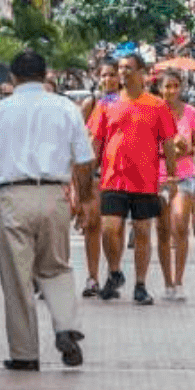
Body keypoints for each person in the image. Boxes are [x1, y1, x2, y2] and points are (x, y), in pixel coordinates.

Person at [0, 49, 96, 370]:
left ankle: (25, 354)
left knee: (17, 278)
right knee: (57, 267)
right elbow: (85, 161)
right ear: (45, 74)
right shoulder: (66, 108)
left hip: (12, 197)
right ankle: (66, 327)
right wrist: (86, 200)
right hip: (54, 196)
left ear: (12, 78)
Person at [89, 53, 178, 305]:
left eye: (128, 68)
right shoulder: (106, 103)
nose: (123, 72)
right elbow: (95, 142)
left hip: (145, 180)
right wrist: (86, 176)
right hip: (112, 178)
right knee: (109, 229)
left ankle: (140, 284)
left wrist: (171, 177)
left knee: (141, 232)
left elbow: (169, 144)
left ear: (142, 73)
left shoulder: (157, 105)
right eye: (120, 68)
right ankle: (115, 271)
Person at [155, 69, 195, 302]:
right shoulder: (152, 112)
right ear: (159, 89)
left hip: (183, 175)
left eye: (175, 86)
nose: (171, 91)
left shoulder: (191, 113)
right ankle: (167, 282)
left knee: (180, 224)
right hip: (158, 177)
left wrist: (185, 148)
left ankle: (179, 280)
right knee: (163, 230)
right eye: (167, 86)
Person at [77, 59, 122, 296]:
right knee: (92, 225)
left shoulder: (127, 103)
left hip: (118, 174)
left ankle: (113, 273)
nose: (108, 79)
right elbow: (77, 140)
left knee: (114, 228)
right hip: (94, 172)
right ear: (97, 76)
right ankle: (92, 277)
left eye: (113, 75)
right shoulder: (91, 103)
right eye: (104, 75)